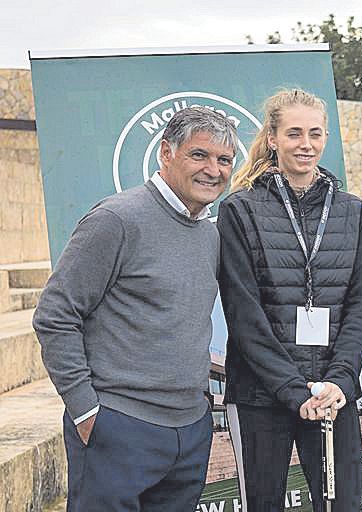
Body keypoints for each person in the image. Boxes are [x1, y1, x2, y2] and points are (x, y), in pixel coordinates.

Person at [33, 107, 236, 511]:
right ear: (166, 152)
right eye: (199, 155)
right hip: (117, 426)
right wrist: (87, 410)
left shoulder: (209, 234)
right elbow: (55, 316)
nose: (213, 169)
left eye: (224, 159)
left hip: (190, 430)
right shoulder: (115, 220)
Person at [217, 89, 362, 511]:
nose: (306, 144)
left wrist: (340, 382)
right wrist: (292, 390)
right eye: (294, 134)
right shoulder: (240, 210)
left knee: (343, 504)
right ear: (273, 138)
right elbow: (244, 314)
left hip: (330, 395)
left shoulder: (351, 210)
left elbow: (360, 307)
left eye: (315, 134)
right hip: (261, 396)